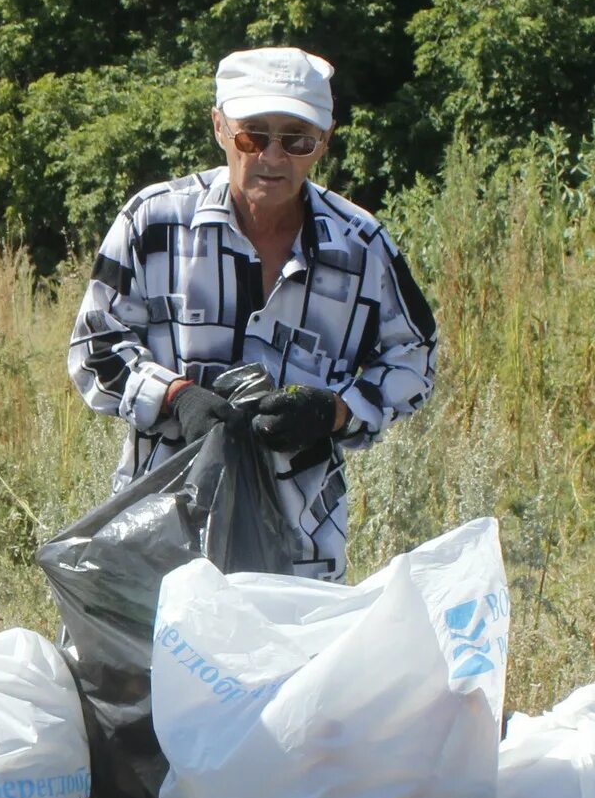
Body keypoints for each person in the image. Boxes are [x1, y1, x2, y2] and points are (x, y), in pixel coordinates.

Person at [69, 47, 437, 581]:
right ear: (220, 127)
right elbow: (94, 345)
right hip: (162, 535)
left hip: (300, 543)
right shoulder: (154, 222)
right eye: (253, 135)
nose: (272, 156)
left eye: (297, 139)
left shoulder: (363, 246)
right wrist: (176, 397)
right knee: (148, 667)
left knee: (289, 668)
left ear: (324, 142)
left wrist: (334, 412)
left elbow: (415, 357)